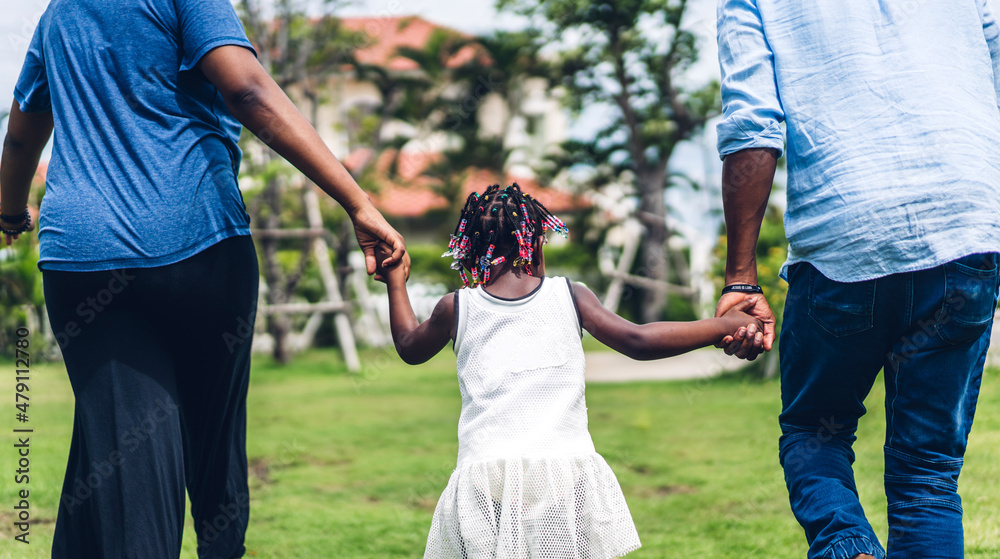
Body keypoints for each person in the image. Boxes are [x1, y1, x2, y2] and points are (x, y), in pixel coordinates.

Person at [0, 0, 407, 557]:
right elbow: (248, 92)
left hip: (85, 257)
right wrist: (357, 202)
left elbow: (23, 134)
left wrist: (9, 213)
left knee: (122, 452)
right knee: (212, 450)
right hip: (201, 244)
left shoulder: (58, 15)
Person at [714, 1, 1000, 557]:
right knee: (929, 474)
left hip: (845, 233)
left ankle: (848, 546)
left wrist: (741, 279)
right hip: (965, 227)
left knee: (813, 434)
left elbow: (752, 125)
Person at [375, 183, 763, 558]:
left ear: (471, 249)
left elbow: (410, 348)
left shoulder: (456, 306)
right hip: (563, 471)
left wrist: (395, 280)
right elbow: (638, 341)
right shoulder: (570, 295)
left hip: (486, 476)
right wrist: (722, 327)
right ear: (536, 241)